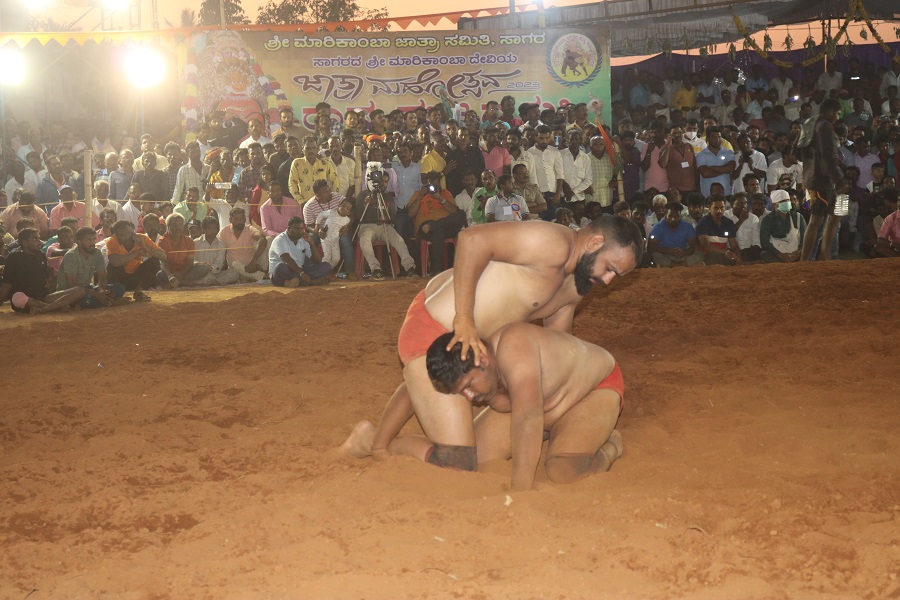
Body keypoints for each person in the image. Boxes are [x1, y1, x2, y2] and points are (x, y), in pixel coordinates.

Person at [341, 215, 643, 474]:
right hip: (435, 329)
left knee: (483, 406)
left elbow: (557, 342)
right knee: (459, 463)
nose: (608, 280)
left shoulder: (576, 285)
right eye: (610, 268)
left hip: (468, 351)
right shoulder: (553, 242)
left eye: (616, 275)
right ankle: (371, 441)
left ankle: (391, 420)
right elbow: (472, 239)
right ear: (594, 242)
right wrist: (464, 319)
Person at [344, 325, 624, 490]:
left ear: (483, 360)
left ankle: (611, 446)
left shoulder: (514, 348)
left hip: (590, 392)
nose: (469, 396)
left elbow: (527, 416)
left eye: (469, 385)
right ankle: (368, 438)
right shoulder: (477, 374)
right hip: (536, 411)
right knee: (462, 462)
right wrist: (379, 442)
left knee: (563, 471)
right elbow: (413, 388)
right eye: (461, 392)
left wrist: (520, 491)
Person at [0, 227, 87, 314]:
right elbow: (7, 284)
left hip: (44, 297)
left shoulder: (41, 255)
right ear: (25, 243)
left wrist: (56, 296)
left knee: (80, 290)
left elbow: (49, 280)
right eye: (35, 239)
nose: (40, 242)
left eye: (39, 238)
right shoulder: (14, 257)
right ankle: (55, 307)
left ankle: (47, 308)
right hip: (26, 299)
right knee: (17, 297)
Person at [800, 98, 843, 261]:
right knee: (818, 219)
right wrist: (839, 178)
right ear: (830, 111)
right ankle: (815, 257)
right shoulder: (824, 126)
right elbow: (827, 156)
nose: (837, 117)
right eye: (837, 113)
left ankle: (822, 256)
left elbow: (796, 151)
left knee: (834, 214)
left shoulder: (810, 123)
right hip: (824, 179)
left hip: (813, 178)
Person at [407, 171, 466, 275]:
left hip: (442, 225)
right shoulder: (418, 194)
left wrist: (440, 198)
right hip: (425, 226)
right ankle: (438, 270)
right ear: (425, 183)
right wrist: (421, 196)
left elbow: (454, 211)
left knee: (461, 214)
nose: (433, 187)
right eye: (431, 184)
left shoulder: (445, 193)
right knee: (438, 232)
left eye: (436, 184)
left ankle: (434, 225)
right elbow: (410, 214)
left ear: (439, 183)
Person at [57, 226, 127, 308]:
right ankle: (98, 303)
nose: (92, 243)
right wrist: (96, 295)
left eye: (94, 239)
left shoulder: (96, 253)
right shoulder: (71, 256)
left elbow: (103, 278)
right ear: (79, 242)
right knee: (85, 297)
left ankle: (91, 304)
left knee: (119, 288)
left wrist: (102, 291)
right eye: (88, 240)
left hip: (88, 288)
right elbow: (71, 285)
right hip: (71, 293)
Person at [105, 219, 167, 301]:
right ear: (117, 236)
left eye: (130, 232)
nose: (128, 236)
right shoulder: (112, 241)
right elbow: (115, 262)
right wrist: (137, 252)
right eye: (123, 235)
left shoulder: (141, 238)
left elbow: (163, 256)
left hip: (136, 276)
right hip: (120, 277)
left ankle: (139, 292)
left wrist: (144, 246)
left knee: (154, 261)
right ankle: (117, 296)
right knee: (112, 265)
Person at [268, 216, 331, 287]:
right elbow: (286, 258)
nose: (300, 231)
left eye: (301, 229)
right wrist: (301, 273)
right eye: (296, 228)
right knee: (280, 267)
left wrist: (311, 243)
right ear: (289, 228)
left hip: (299, 271)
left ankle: (296, 281)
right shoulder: (280, 239)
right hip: (283, 272)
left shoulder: (304, 239)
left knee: (326, 266)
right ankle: (311, 281)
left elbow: (318, 261)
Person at [647, 202, 704, 267]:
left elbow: (694, 246)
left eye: (676, 216)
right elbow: (650, 248)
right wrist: (667, 250)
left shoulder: (687, 227)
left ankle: (676, 266)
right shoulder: (657, 228)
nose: (673, 219)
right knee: (655, 255)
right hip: (666, 256)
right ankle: (680, 266)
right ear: (665, 216)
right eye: (670, 216)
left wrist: (684, 252)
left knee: (700, 254)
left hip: (683, 256)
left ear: (680, 216)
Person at [760, 189, 806, 263]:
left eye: (788, 200)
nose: (787, 203)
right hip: (778, 254)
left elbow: (805, 238)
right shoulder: (767, 220)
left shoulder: (798, 217)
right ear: (775, 204)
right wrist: (780, 255)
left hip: (796, 253)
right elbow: (765, 242)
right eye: (783, 201)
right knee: (764, 254)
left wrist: (798, 252)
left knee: (807, 252)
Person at [695, 194, 742, 266]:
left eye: (722, 208)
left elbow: (734, 245)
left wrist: (738, 258)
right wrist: (726, 252)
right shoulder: (703, 223)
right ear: (709, 208)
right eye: (716, 208)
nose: (719, 211)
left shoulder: (728, 223)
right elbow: (706, 246)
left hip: (724, 255)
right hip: (707, 256)